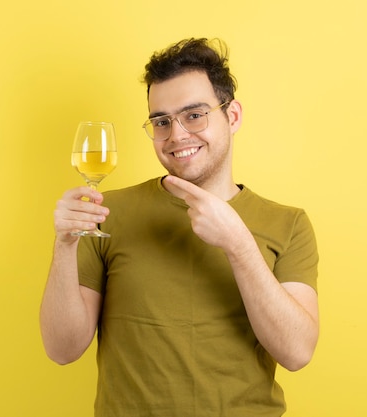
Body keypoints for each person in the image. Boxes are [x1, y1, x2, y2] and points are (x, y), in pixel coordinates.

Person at [40, 38, 319, 417]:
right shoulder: (107, 212)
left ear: (232, 116)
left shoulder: (289, 223)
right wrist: (65, 244)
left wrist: (238, 243)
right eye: (161, 121)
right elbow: (62, 349)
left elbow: (297, 352)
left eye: (194, 115)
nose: (176, 136)